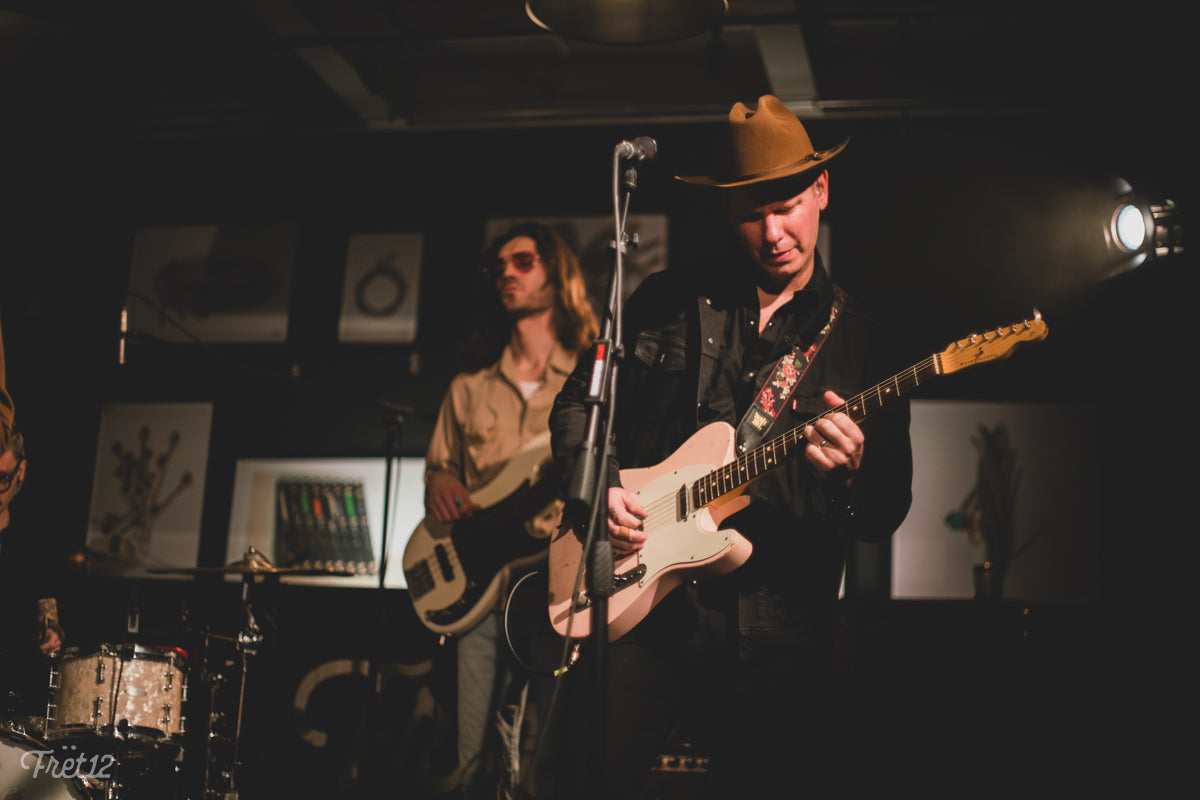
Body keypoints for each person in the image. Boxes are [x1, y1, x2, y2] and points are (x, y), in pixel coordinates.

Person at [548, 95, 914, 797]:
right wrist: (598, 491)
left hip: (783, 629)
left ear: (822, 191)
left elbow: (884, 512)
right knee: (576, 779)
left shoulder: (862, 339)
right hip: (645, 606)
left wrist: (854, 473)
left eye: (788, 205)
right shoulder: (660, 298)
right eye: (752, 213)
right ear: (725, 212)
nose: (774, 231)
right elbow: (577, 404)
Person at [423, 221, 599, 799]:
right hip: (477, 588)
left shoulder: (591, 380)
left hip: (553, 581)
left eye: (523, 262)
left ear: (556, 274)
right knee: (471, 757)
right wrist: (441, 479)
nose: (506, 273)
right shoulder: (468, 388)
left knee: (542, 759)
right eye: (498, 266)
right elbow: (437, 472)